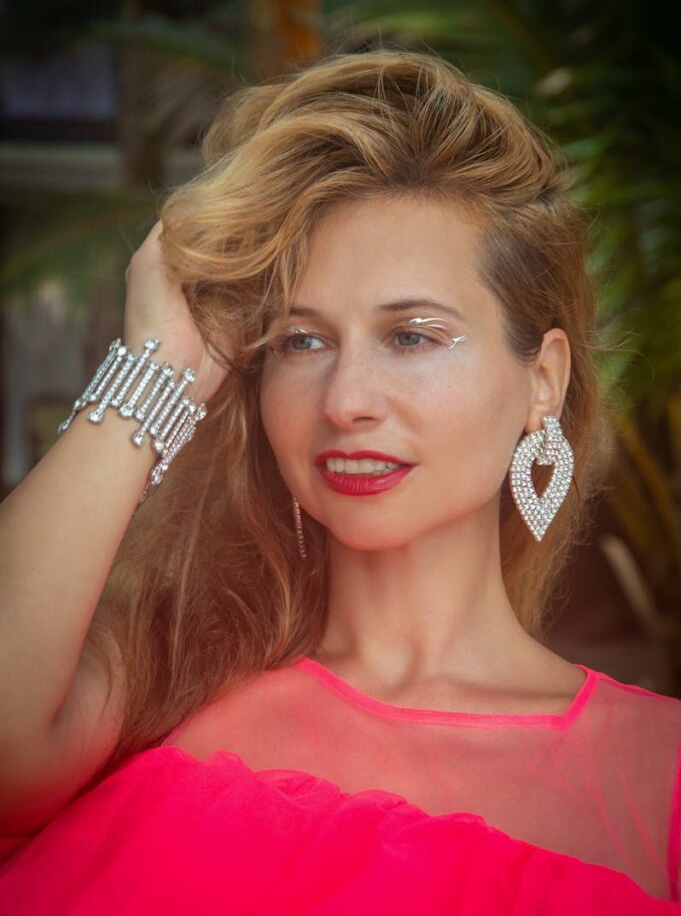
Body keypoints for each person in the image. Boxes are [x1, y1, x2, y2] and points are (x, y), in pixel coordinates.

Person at [0, 49, 679, 914]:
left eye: (413, 336)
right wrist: (158, 359)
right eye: (302, 341)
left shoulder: (659, 778)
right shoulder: (162, 689)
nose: (345, 400)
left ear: (541, 379)